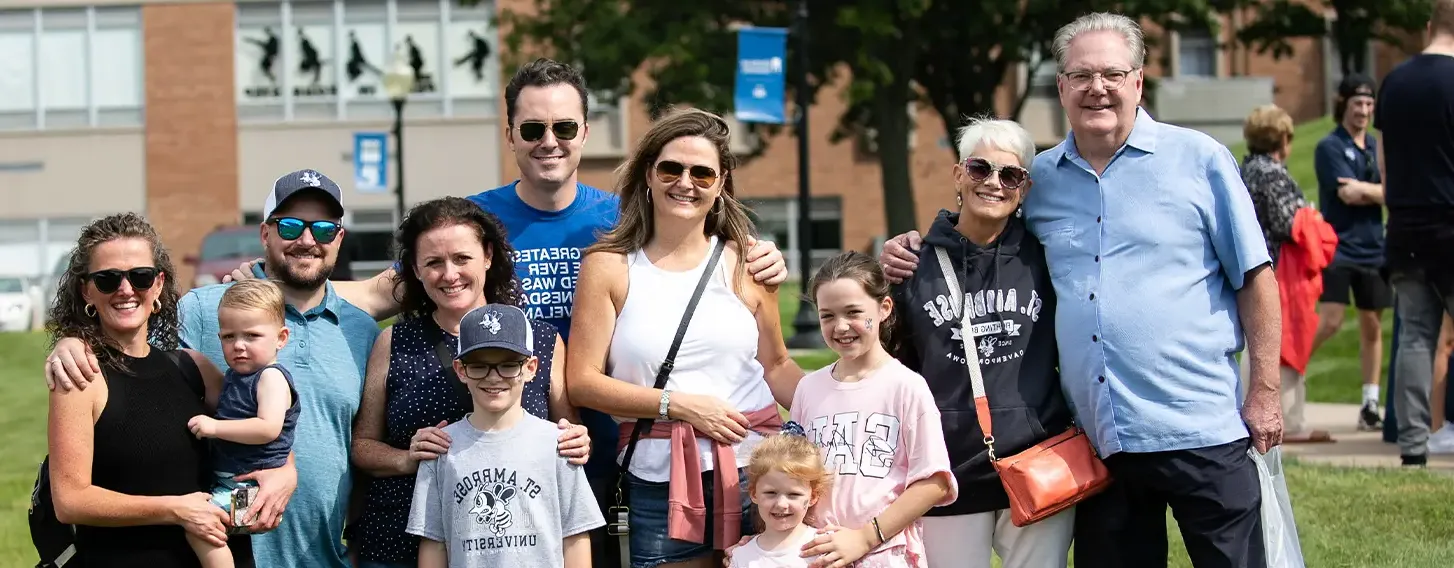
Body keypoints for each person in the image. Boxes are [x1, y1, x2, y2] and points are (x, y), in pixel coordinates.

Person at [218, 59, 788, 568]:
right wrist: (274, 285)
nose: (550, 141)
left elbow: (698, 254)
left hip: (592, 445)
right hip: (475, 450)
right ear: (511, 133)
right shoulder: (474, 220)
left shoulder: (623, 223)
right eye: (533, 128)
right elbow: (387, 289)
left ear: (585, 132)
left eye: (564, 127)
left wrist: (760, 254)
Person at [878, 13, 1282, 567]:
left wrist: (1265, 391)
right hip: (1100, 440)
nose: (1098, 88)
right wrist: (913, 249)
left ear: (1138, 81)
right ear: (1062, 86)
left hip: (1200, 426)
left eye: (1113, 74)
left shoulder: (1200, 160)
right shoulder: (1038, 180)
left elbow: (1256, 276)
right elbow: (983, 229)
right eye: (1081, 75)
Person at [569, 107, 804, 568]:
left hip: (759, 475)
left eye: (702, 172)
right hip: (657, 478)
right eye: (671, 168)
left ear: (720, 185)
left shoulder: (747, 264)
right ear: (649, 176)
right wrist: (678, 405)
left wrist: (853, 395)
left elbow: (776, 365)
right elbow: (582, 381)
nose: (686, 182)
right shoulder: (609, 266)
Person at [351, 197, 586, 568]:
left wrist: (577, 439)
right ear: (414, 269)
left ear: (488, 256)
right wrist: (406, 459)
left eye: (462, 258)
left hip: (513, 548)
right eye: (433, 262)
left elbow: (567, 429)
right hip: (400, 542)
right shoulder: (394, 343)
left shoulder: (538, 340)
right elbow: (362, 445)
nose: (449, 274)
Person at [890, 119, 1075, 567]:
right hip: (946, 470)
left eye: (1009, 175)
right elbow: (895, 367)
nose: (993, 183)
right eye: (979, 169)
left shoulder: (1046, 258)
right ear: (958, 174)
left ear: (1024, 188)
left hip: (1038, 462)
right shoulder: (914, 265)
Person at [44, 213, 268, 567]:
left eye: (141, 276)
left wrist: (285, 472)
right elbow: (70, 500)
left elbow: (265, 427)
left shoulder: (193, 368)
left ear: (159, 284)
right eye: (107, 280)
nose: (126, 289)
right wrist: (175, 509)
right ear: (86, 290)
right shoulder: (80, 377)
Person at [790, 251, 956, 568]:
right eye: (827, 315)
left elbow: (934, 482)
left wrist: (865, 537)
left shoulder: (907, 387)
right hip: (816, 553)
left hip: (885, 555)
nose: (840, 326)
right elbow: (791, 474)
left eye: (853, 312)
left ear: (884, 309)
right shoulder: (808, 389)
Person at [407, 303, 604, 568]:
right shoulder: (441, 448)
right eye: (479, 366)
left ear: (531, 367)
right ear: (460, 370)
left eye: (509, 365)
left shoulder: (559, 443)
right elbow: (434, 543)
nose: (494, 377)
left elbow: (576, 536)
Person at [1370, 0, 1454, 468]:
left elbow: (1384, 165)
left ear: (1428, 27)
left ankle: (1414, 447)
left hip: (1406, 226)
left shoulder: (1395, 81)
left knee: (1415, 338)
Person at [184, 279, 301, 568]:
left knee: (200, 526)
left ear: (281, 338)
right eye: (228, 337)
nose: (239, 346)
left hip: (253, 489)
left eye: (252, 335)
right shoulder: (239, 376)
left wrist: (214, 427)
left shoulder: (271, 377)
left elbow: (267, 428)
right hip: (231, 483)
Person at [1241, 105, 1333, 444]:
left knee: (1255, 344)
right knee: (1282, 343)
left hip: (1249, 268)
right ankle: (1291, 422)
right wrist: (1313, 216)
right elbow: (1289, 222)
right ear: (1282, 138)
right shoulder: (1273, 174)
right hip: (1279, 271)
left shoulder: (1246, 169)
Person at [1311, 74, 1390, 432]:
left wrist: (1369, 189)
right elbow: (1347, 195)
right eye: (1358, 103)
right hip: (1340, 247)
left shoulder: (1375, 146)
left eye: (1369, 104)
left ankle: (1370, 402)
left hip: (1375, 247)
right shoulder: (1330, 147)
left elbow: (1389, 192)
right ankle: (1283, 378)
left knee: (1372, 325)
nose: (1364, 111)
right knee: (1330, 321)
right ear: (1343, 103)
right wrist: (1381, 190)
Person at [728, 427, 833, 568]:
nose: (781, 504)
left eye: (793, 494)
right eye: (771, 493)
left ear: (812, 497)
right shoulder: (741, 557)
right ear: (754, 494)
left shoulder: (823, 547)